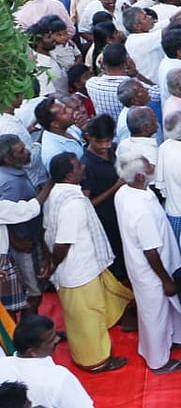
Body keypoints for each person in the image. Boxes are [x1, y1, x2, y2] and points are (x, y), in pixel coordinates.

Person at [42, 153, 132, 373]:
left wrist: (52, 262)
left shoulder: (55, 194)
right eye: (78, 165)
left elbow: (46, 231)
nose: (84, 167)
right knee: (90, 317)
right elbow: (62, 243)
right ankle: (96, 361)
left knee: (79, 317)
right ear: (70, 175)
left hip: (72, 270)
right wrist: (53, 263)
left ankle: (83, 354)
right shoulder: (73, 204)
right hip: (79, 271)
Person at [113, 154, 181, 373]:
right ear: (141, 176)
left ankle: (164, 343)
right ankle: (158, 361)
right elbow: (151, 251)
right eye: (149, 166)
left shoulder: (125, 192)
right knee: (155, 315)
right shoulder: (140, 209)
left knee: (154, 313)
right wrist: (165, 280)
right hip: (151, 272)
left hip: (141, 267)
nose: (154, 166)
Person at [0, 314, 95, 408]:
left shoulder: (2, 364)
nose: (57, 339)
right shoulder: (59, 377)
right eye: (51, 340)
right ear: (32, 351)